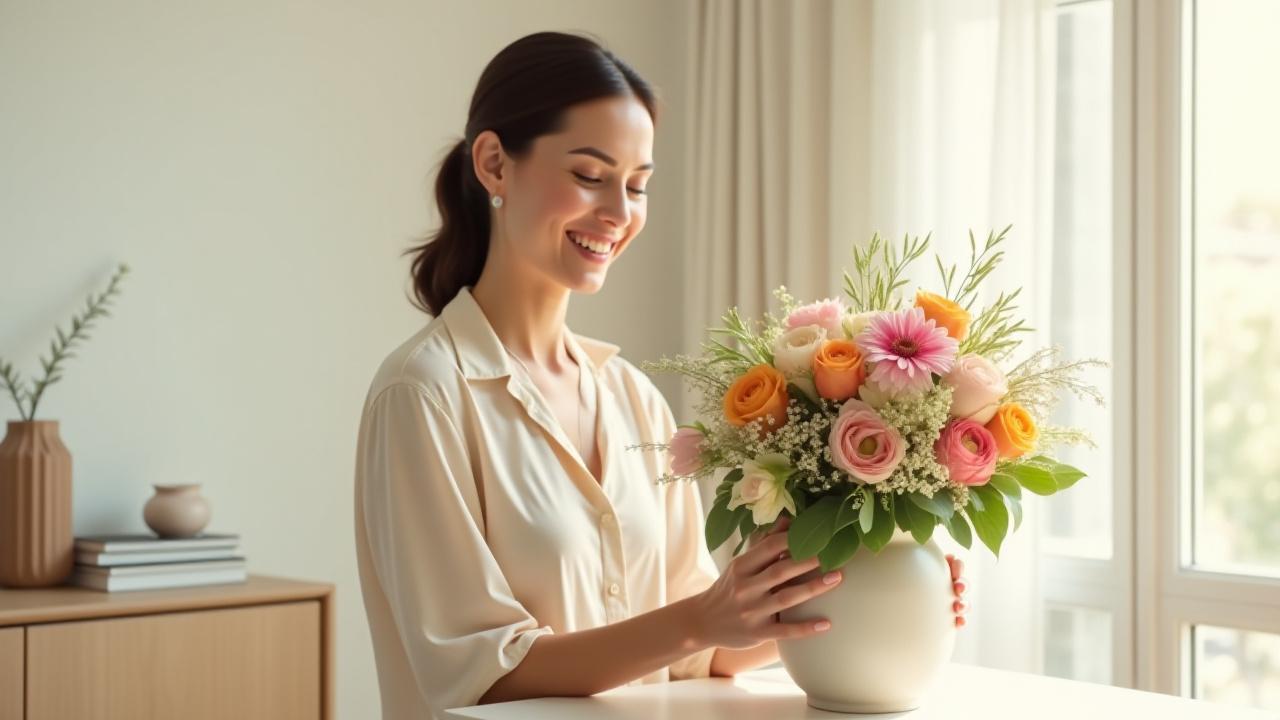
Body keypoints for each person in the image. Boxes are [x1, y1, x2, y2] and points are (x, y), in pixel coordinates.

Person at [353, 30, 969, 720]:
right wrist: (697, 622)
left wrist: (871, 578)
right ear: (494, 164)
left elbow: (698, 651)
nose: (619, 214)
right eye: (589, 176)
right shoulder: (425, 393)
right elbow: (476, 675)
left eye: (638, 185)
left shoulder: (630, 400)